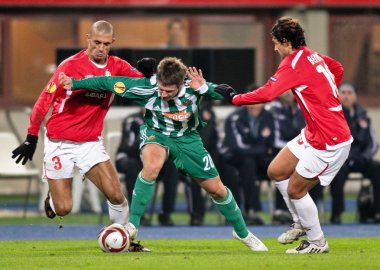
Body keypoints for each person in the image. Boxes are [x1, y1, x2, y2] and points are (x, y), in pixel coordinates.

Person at [59, 56, 268, 252]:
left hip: (188, 140)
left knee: (218, 190)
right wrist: (75, 83)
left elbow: (225, 93)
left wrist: (204, 87)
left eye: (169, 91)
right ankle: (132, 225)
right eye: (161, 88)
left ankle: (242, 233)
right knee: (151, 167)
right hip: (156, 134)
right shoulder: (146, 88)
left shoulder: (193, 87)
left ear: (180, 83)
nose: (163, 94)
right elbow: (107, 83)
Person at [11, 20, 154, 252]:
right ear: (88, 39)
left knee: (117, 195)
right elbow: (43, 101)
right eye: (96, 42)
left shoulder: (117, 66)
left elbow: (146, 86)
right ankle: (52, 199)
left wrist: (149, 73)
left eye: (106, 44)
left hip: (90, 143)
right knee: (64, 208)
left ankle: (124, 240)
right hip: (59, 142)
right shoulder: (69, 66)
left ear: (112, 43)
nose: (101, 48)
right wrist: (31, 137)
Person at [215, 16, 352, 254]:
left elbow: (268, 93)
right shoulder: (312, 55)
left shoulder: (293, 63)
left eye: (276, 43)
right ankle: (300, 221)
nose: (275, 48)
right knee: (276, 171)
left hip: (330, 140)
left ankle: (317, 242)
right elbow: (337, 68)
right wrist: (325, 96)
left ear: (286, 42)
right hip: (314, 132)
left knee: (296, 190)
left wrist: (235, 98)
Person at [115, 108, 179, 226]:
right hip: (129, 156)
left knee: (172, 166)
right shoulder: (133, 120)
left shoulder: (165, 121)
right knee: (134, 167)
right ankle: (137, 214)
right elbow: (130, 146)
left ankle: (166, 213)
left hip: (152, 160)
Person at [329, 83, 380, 224]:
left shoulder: (363, 116)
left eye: (349, 93)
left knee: (377, 169)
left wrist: (365, 157)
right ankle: (337, 213)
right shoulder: (334, 116)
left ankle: (377, 211)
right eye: (343, 92)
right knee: (337, 173)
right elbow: (332, 141)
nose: (346, 95)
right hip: (343, 160)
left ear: (355, 97)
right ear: (338, 96)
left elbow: (373, 143)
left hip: (361, 159)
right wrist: (345, 158)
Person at [221, 102, 275, 225]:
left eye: (258, 102)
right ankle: (241, 211)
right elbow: (236, 147)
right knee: (246, 166)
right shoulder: (235, 118)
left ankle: (279, 212)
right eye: (251, 102)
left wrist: (260, 150)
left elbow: (270, 143)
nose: (255, 105)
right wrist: (259, 149)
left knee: (278, 167)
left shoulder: (269, 117)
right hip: (232, 158)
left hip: (257, 159)